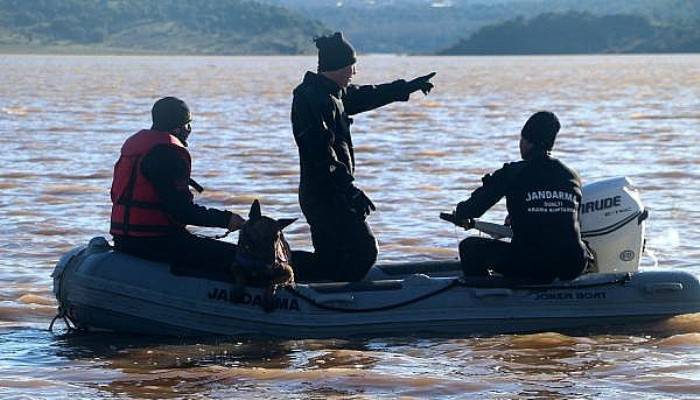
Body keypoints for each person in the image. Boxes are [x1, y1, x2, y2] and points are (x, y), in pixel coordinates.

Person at [290, 32, 436, 282]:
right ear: (337, 67)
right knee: (364, 250)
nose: (354, 72)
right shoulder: (311, 98)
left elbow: (367, 94)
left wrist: (407, 87)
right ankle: (293, 282)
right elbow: (320, 153)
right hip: (325, 194)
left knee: (331, 258)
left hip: (331, 193)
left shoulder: (334, 94)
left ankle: (313, 295)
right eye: (351, 66)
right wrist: (349, 191)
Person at [110, 97, 246, 278]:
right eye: (188, 125)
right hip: (156, 242)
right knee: (244, 258)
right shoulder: (168, 155)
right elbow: (182, 212)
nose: (189, 131)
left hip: (123, 240)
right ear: (178, 128)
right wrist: (227, 219)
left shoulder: (137, 148)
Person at [453, 111, 592, 283]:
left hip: (533, 264)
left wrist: (460, 213)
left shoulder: (512, 173)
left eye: (522, 139)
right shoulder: (572, 176)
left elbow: (471, 209)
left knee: (470, 248)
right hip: (573, 264)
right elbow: (559, 218)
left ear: (527, 143)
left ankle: (488, 298)